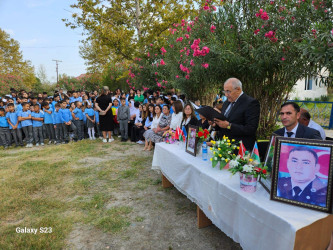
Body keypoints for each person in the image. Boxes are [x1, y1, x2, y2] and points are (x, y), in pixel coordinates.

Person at [214, 78, 260, 150]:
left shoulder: (251, 103)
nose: (226, 95)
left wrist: (229, 126)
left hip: (240, 149)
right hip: (224, 147)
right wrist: (215, 124)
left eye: (228, 91)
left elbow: (251, 129)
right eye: (224, 91)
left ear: (238, 90)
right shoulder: (226, 103)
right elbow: (224, 123)